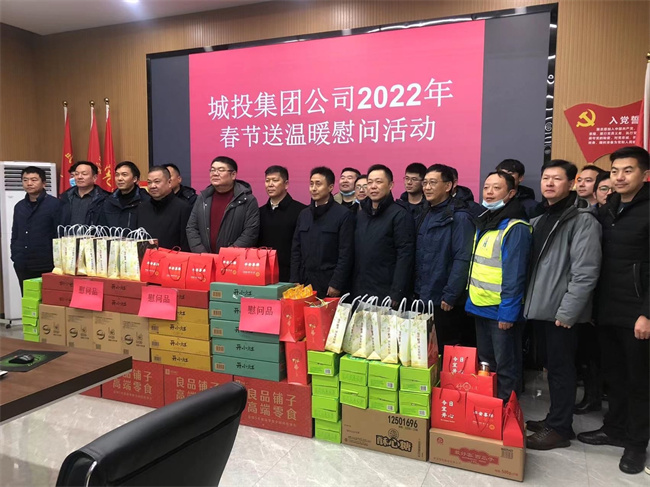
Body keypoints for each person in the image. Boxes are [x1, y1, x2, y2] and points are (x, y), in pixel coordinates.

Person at [578, 146, 649, 474]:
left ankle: (636, 444)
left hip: (637, 312)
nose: (620, 177)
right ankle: (615, 429)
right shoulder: (608, 209)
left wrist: (647, 313)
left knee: (639, 381)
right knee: (615, 376)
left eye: (628, 170)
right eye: (615, 171)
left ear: (645, 175)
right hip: (606, 307)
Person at [524, 159, 601, 451]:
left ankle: (559, 429)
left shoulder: (582, 220)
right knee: (552, 368)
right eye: (546, 178)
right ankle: (554, 419)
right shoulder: (540, 218)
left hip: (561, 311)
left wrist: (568, 311)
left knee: (562, 369)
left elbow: (586, 271)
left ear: (571, 183)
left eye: (557, 178)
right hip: (542, 308)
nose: (549, 183)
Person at [465, 171, 532, 402]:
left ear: (511, 193)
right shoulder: (486, 221)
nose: (489, 193)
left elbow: (515, 274)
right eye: (486, 187)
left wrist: (508, 312)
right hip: (480, 305)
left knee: (506, 366)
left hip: (501, 311)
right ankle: (489, 408)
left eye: (496, 188)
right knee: (487, 364)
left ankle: (506, 410)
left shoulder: (515, 227)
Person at [416, 164, 475, 352]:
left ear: (448, 186)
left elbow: (462, 258)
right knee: (424, 351)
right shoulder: (425, 212)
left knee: (446, 350)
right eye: (425, 183)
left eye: (433, 183)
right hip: (423, 296)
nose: (427, 187)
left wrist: (451, 295)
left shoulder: (460, 217)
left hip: (444, 300)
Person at [352, 164, 414, 305]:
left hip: (386, 292)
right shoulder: (361, 214)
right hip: (360, 289)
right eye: (370, 183)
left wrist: (397, 292)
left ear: (391, 185)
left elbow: (405, 256)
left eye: (379, 182)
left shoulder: (400, 215)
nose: (373, 186)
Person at [291, 167, 354, 298]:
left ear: (330, 187)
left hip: (329, 283)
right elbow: (296, 250)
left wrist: (336, 283)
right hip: (305, 282)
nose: (313, 188)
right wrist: (295, 278)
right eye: (311, 184)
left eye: (318, 184)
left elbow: (346, 253)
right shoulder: (304, 214)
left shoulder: (343, 214)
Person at [186, 156, 259, 253]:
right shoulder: (203, 198)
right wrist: (202, 253)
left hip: (233, 259)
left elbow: (250, 233)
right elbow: (192, 228)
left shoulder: (247, 200)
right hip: (205, 258)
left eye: (221, 170)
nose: (215, 173)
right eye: (212, 170)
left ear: (233, 175)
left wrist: (227, 254)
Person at [11, 166, 63, 294]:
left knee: (47, 300)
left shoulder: (55, 205)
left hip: (46, 264)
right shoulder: (19, 206)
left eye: (34, 180)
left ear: (44, 183)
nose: (29, 183)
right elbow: (15, 232)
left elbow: (60, 234)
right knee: (28, 299)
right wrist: (15, 254)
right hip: (22, 263)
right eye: (25, 180)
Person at [258, 165, 306, 282]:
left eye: (275, 180)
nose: (270, 184)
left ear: (286, 184)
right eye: (267, 181)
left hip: (291, 275)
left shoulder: (301, 211)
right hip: (262, 273)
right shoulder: (259, 212)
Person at [137, 166, 191, 251]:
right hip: (146, 258)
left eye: (157, 181)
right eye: (149, 182)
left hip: (173, 258)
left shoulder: (183, 208)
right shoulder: (141, 208)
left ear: (169, 182)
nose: (152, 186)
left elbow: (186, 245)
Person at [97, 161, 150, 229]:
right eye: (117, 175)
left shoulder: (145, 201)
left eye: (124, 175)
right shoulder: (108, 201)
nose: (119, 179)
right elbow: (102, 228)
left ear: (135, 179)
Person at [60, 161, 109, 225]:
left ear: (94, 177)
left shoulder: (105, 198)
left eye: (84, 174)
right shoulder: (66, 196)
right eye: (76, 174)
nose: (79, 177)